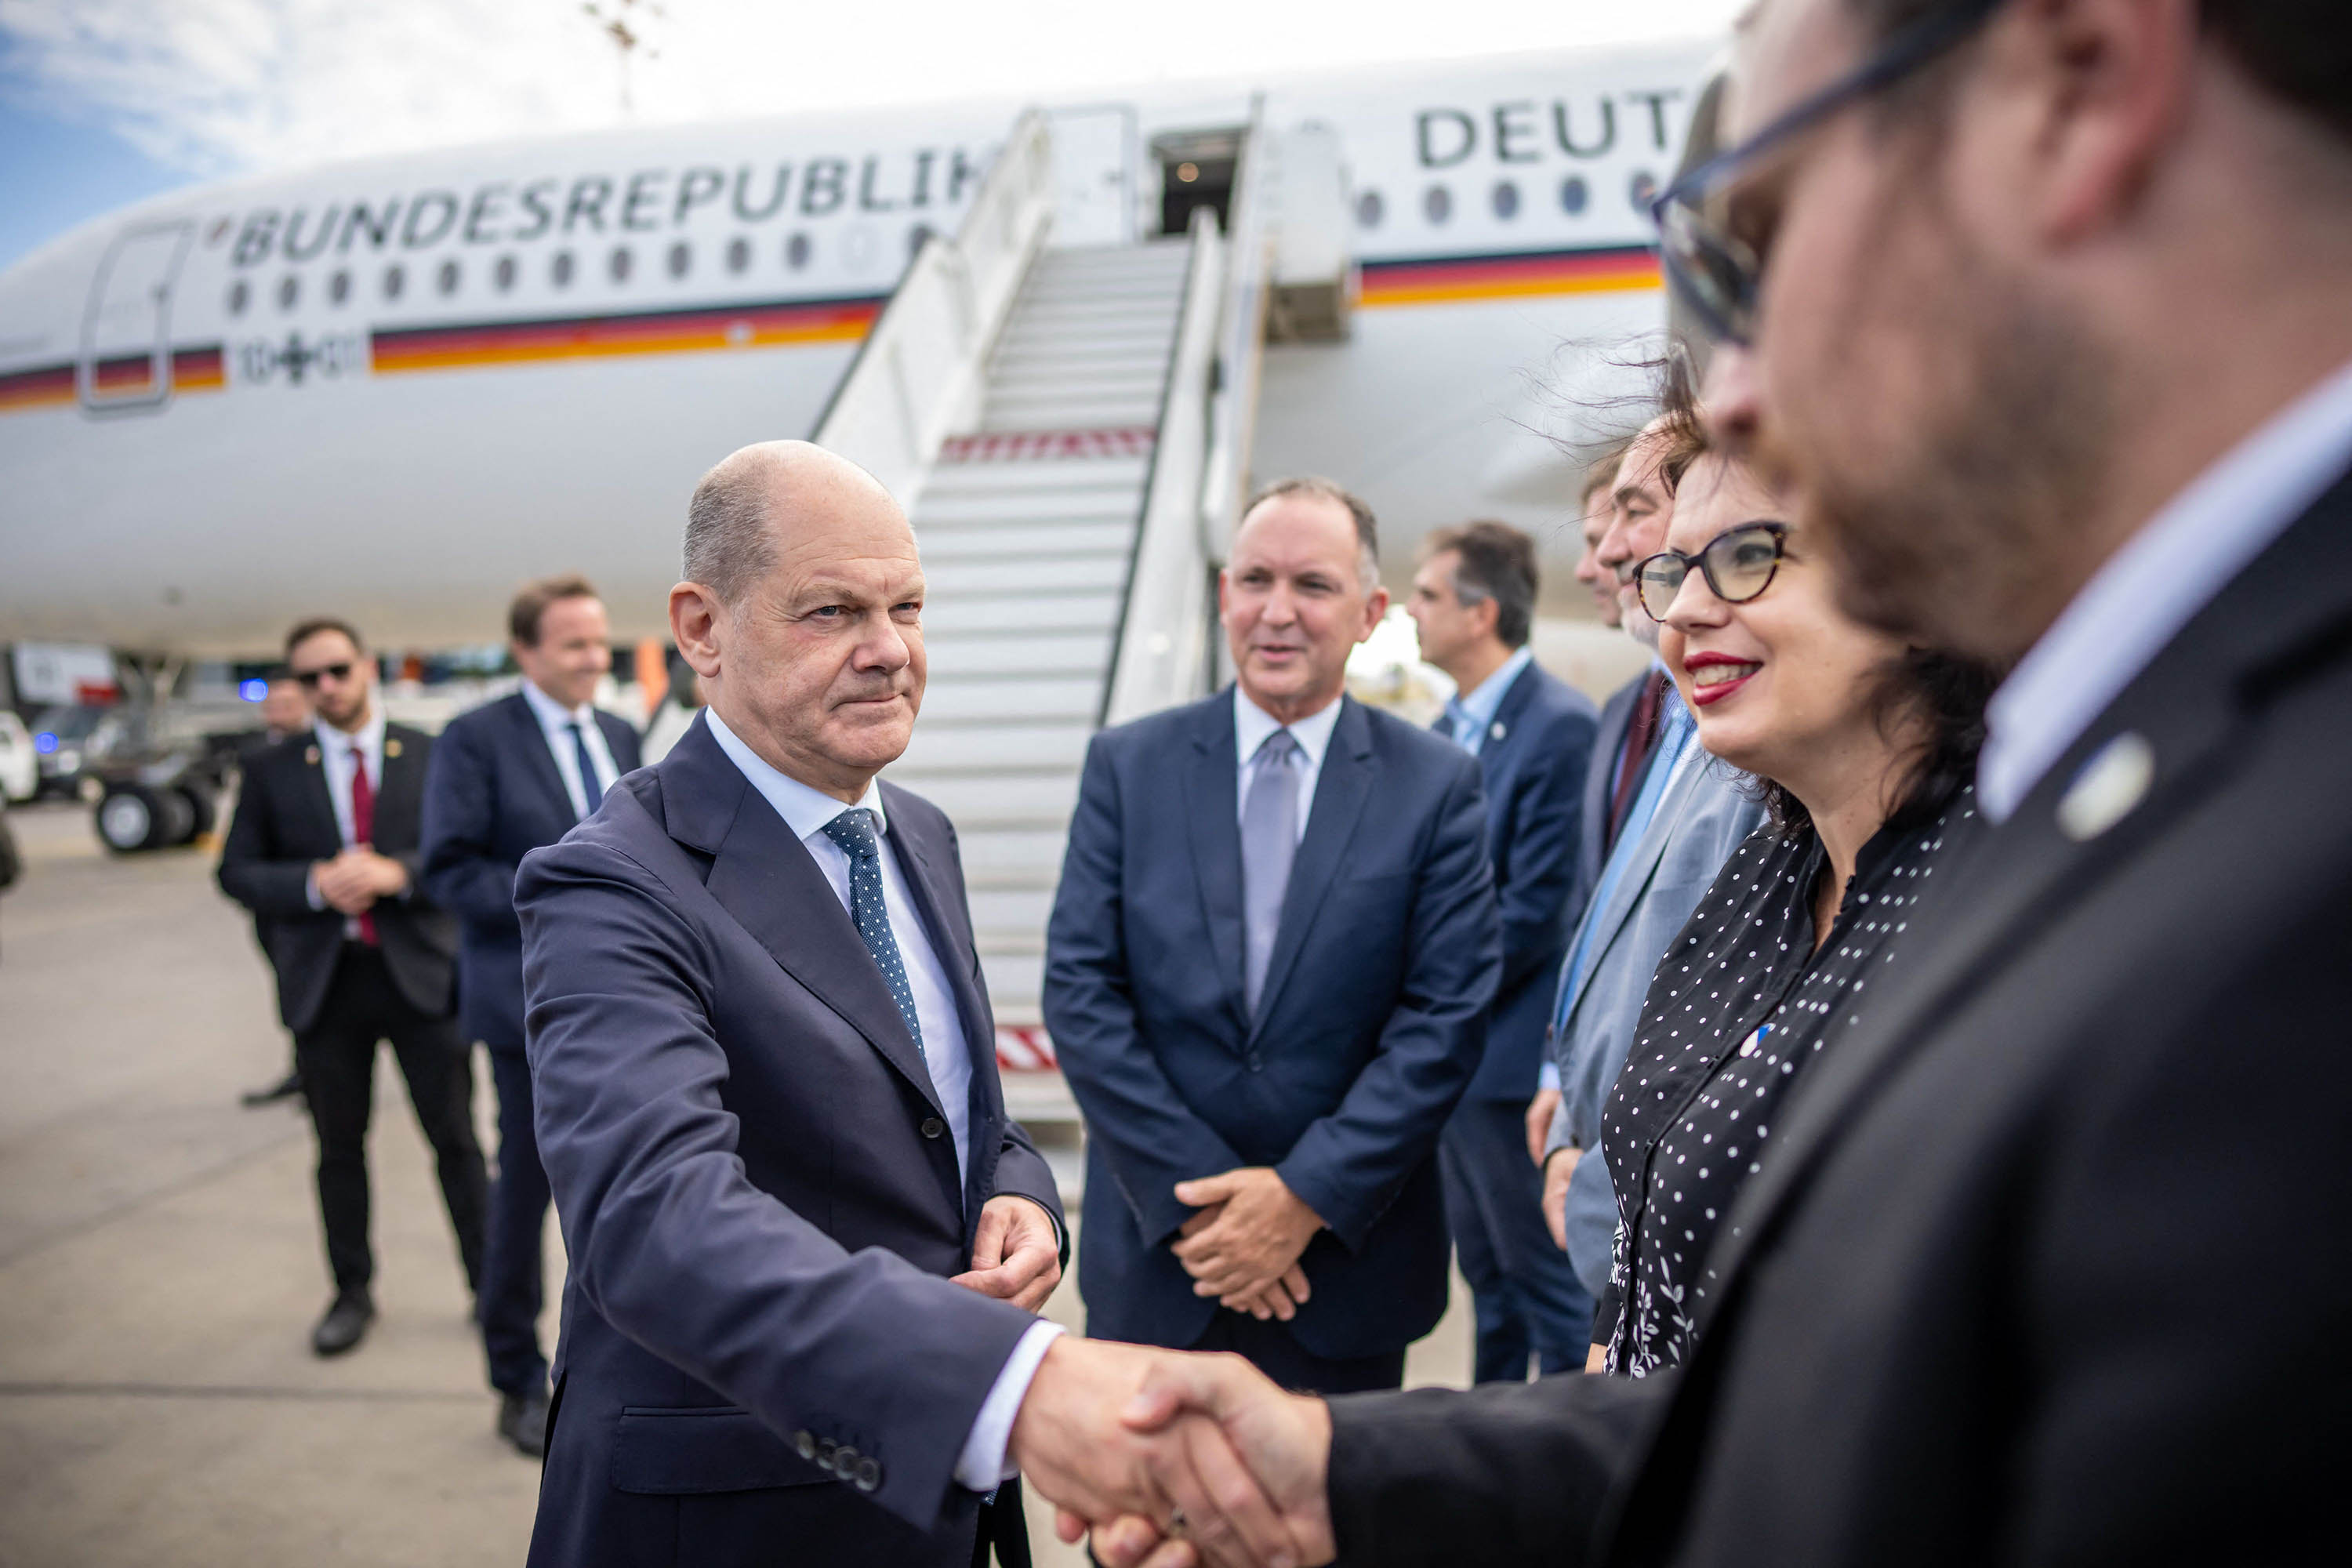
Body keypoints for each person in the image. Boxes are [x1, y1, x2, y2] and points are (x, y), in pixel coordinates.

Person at [1057, 0, 2352, 1562]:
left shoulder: (2256, 859)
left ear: (2081, 82)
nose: (1737, 399)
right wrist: (1341, 1468)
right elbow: (1859, 1407)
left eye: (1757, 244)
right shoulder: (2118, 782)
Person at [516, 441, 1292, 1568]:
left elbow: (953, 1112)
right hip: (737, 1513)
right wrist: (1010, 1385)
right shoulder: (611, 882)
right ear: (701, 629)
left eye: (909, 607)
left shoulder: (914, 833)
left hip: (932, 1507)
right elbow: (656, 1223)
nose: (890, 652)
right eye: (830, 612)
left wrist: (1021, 1195)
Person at [1044, 477, 1499, 1399]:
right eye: (1254, 579)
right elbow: (1083, 994)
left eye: (1314, 585)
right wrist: (1213, 1205)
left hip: (1343, 1269)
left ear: (1373, 612)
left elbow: (1444, 1016)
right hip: (1165, 1265)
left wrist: (1301, 1197)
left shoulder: (1436, 784)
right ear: (1223, 597)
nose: (1277, 612)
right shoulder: (1129, 766)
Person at [1596, 446, 1992, 1374]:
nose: (1685, 609)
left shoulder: (1988, 913)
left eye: (1747, 556)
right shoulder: (1770, 870)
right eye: (1671, 571)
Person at [1537, 416, 1765, 1309]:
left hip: (1659, 1237)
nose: (1610, 550)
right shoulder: (1672, 724)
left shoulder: (1748, 752)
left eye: (1634, 512)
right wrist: (1563, 1117)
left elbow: (1724, 1042)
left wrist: (1595, 1185)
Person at [216, 620, 487, 1358]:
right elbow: (235, 871)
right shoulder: (271, 769)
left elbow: (464, 855)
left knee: (457, 1141)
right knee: (339, 1148)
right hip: (327, 986)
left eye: (337, 670)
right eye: (309, 678)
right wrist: (309, 883)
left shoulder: (430, 755)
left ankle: (489, 1286)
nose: (326, 687)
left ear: (367, 667)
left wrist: (398, 873)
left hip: (421, 979)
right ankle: (352, 1291)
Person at [419, 575, 644, 1458]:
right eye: (574, 645)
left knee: (634, 1181)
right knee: (526, 1187)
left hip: (629, 1003)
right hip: (526, 1006)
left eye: (601, 643)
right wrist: (566, 904)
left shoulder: (623, 732)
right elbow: (449, 869)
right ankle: (516, 1375)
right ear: (526, 652)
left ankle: (629, 1360)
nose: (596, 659)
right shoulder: (475, 740)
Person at [1404, 521, 1598, 1382]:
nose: (1411, 609)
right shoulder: (1448, 723)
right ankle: (1489, 1453)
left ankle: (1558, 1485)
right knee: (1488, 1278)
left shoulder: (1558, 726)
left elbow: (1538, 908)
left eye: (1427, 594)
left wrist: (1425, 992)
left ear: (1481, 613)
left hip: (1508, 1056)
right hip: (1458, 1055)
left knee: (1545, 1287)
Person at [238, 670, 314, 1109]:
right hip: (277, 904)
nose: (278, 715)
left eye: (287, 705)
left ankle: (318, 1075)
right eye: (272, 706)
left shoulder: (320, 761)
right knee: (293, 993)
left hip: (322, 903)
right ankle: (304, 1070)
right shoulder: (259, 761)